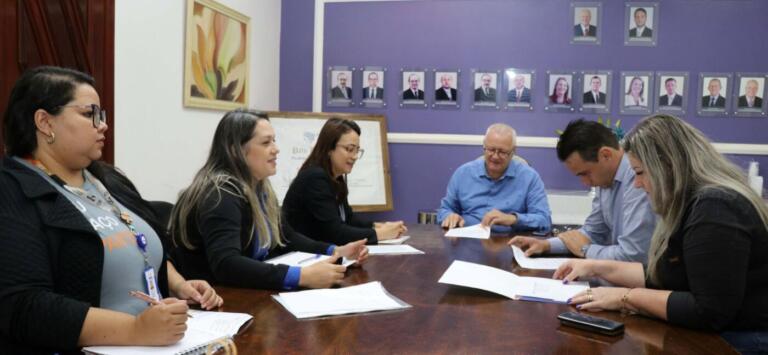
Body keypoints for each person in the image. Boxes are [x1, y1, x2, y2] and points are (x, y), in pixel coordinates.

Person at [0, 66, 222, 353]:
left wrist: (180, 285)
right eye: (89, 114)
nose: (102, 125)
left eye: (101, 115)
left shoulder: (105, 178)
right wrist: (135, 330)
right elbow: (24, 306)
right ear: (44, 122)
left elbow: (134, 242)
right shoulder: (13, 190)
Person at [554, 114, 768, 354]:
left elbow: (709, 312)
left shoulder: (715, 207)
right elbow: (664, 273)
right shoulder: (693, 203)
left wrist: (625, 297)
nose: (636, 184)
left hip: (741, 339)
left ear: (667, 165)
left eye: (640, 173)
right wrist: (595, 268)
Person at [169, 110, 369, 291]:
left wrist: (335, 250)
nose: (276, 149)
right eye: (266, 143)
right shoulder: (220, 194)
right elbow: (226, 263)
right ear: (235, 150)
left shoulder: (260, 187)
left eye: (274, 141)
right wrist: (301, 276)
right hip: (216, 301)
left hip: (244, 292)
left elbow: (284, 236)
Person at [510, 119, 655, 262]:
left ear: (606, 155)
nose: (585, 182)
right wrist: (546, 245)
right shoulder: (604, 178)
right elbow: (592, 233)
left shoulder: (639, 179)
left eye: (585, 173)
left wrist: (586, 250)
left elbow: (633, 255)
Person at [283, 118, 407, 245]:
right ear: (329, 148)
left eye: (357, 150)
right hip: (303, 256)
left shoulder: (336, 177)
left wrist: (379, 226)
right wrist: (381, 234)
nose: (354, 156)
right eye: (349, 149)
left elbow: (348, 219)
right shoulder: (315, 178)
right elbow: (336, 234)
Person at [438, 123, 551, 233]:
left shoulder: (529, 178)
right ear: (484, 146)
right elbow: (444, 210)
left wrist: (513, 219)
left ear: (513, 151)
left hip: (509, 242)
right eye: (491, 150)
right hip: (467, 240)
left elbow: (544, 220)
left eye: (502, 152)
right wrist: (449, 216)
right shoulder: (463, 173)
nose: (495, 156)